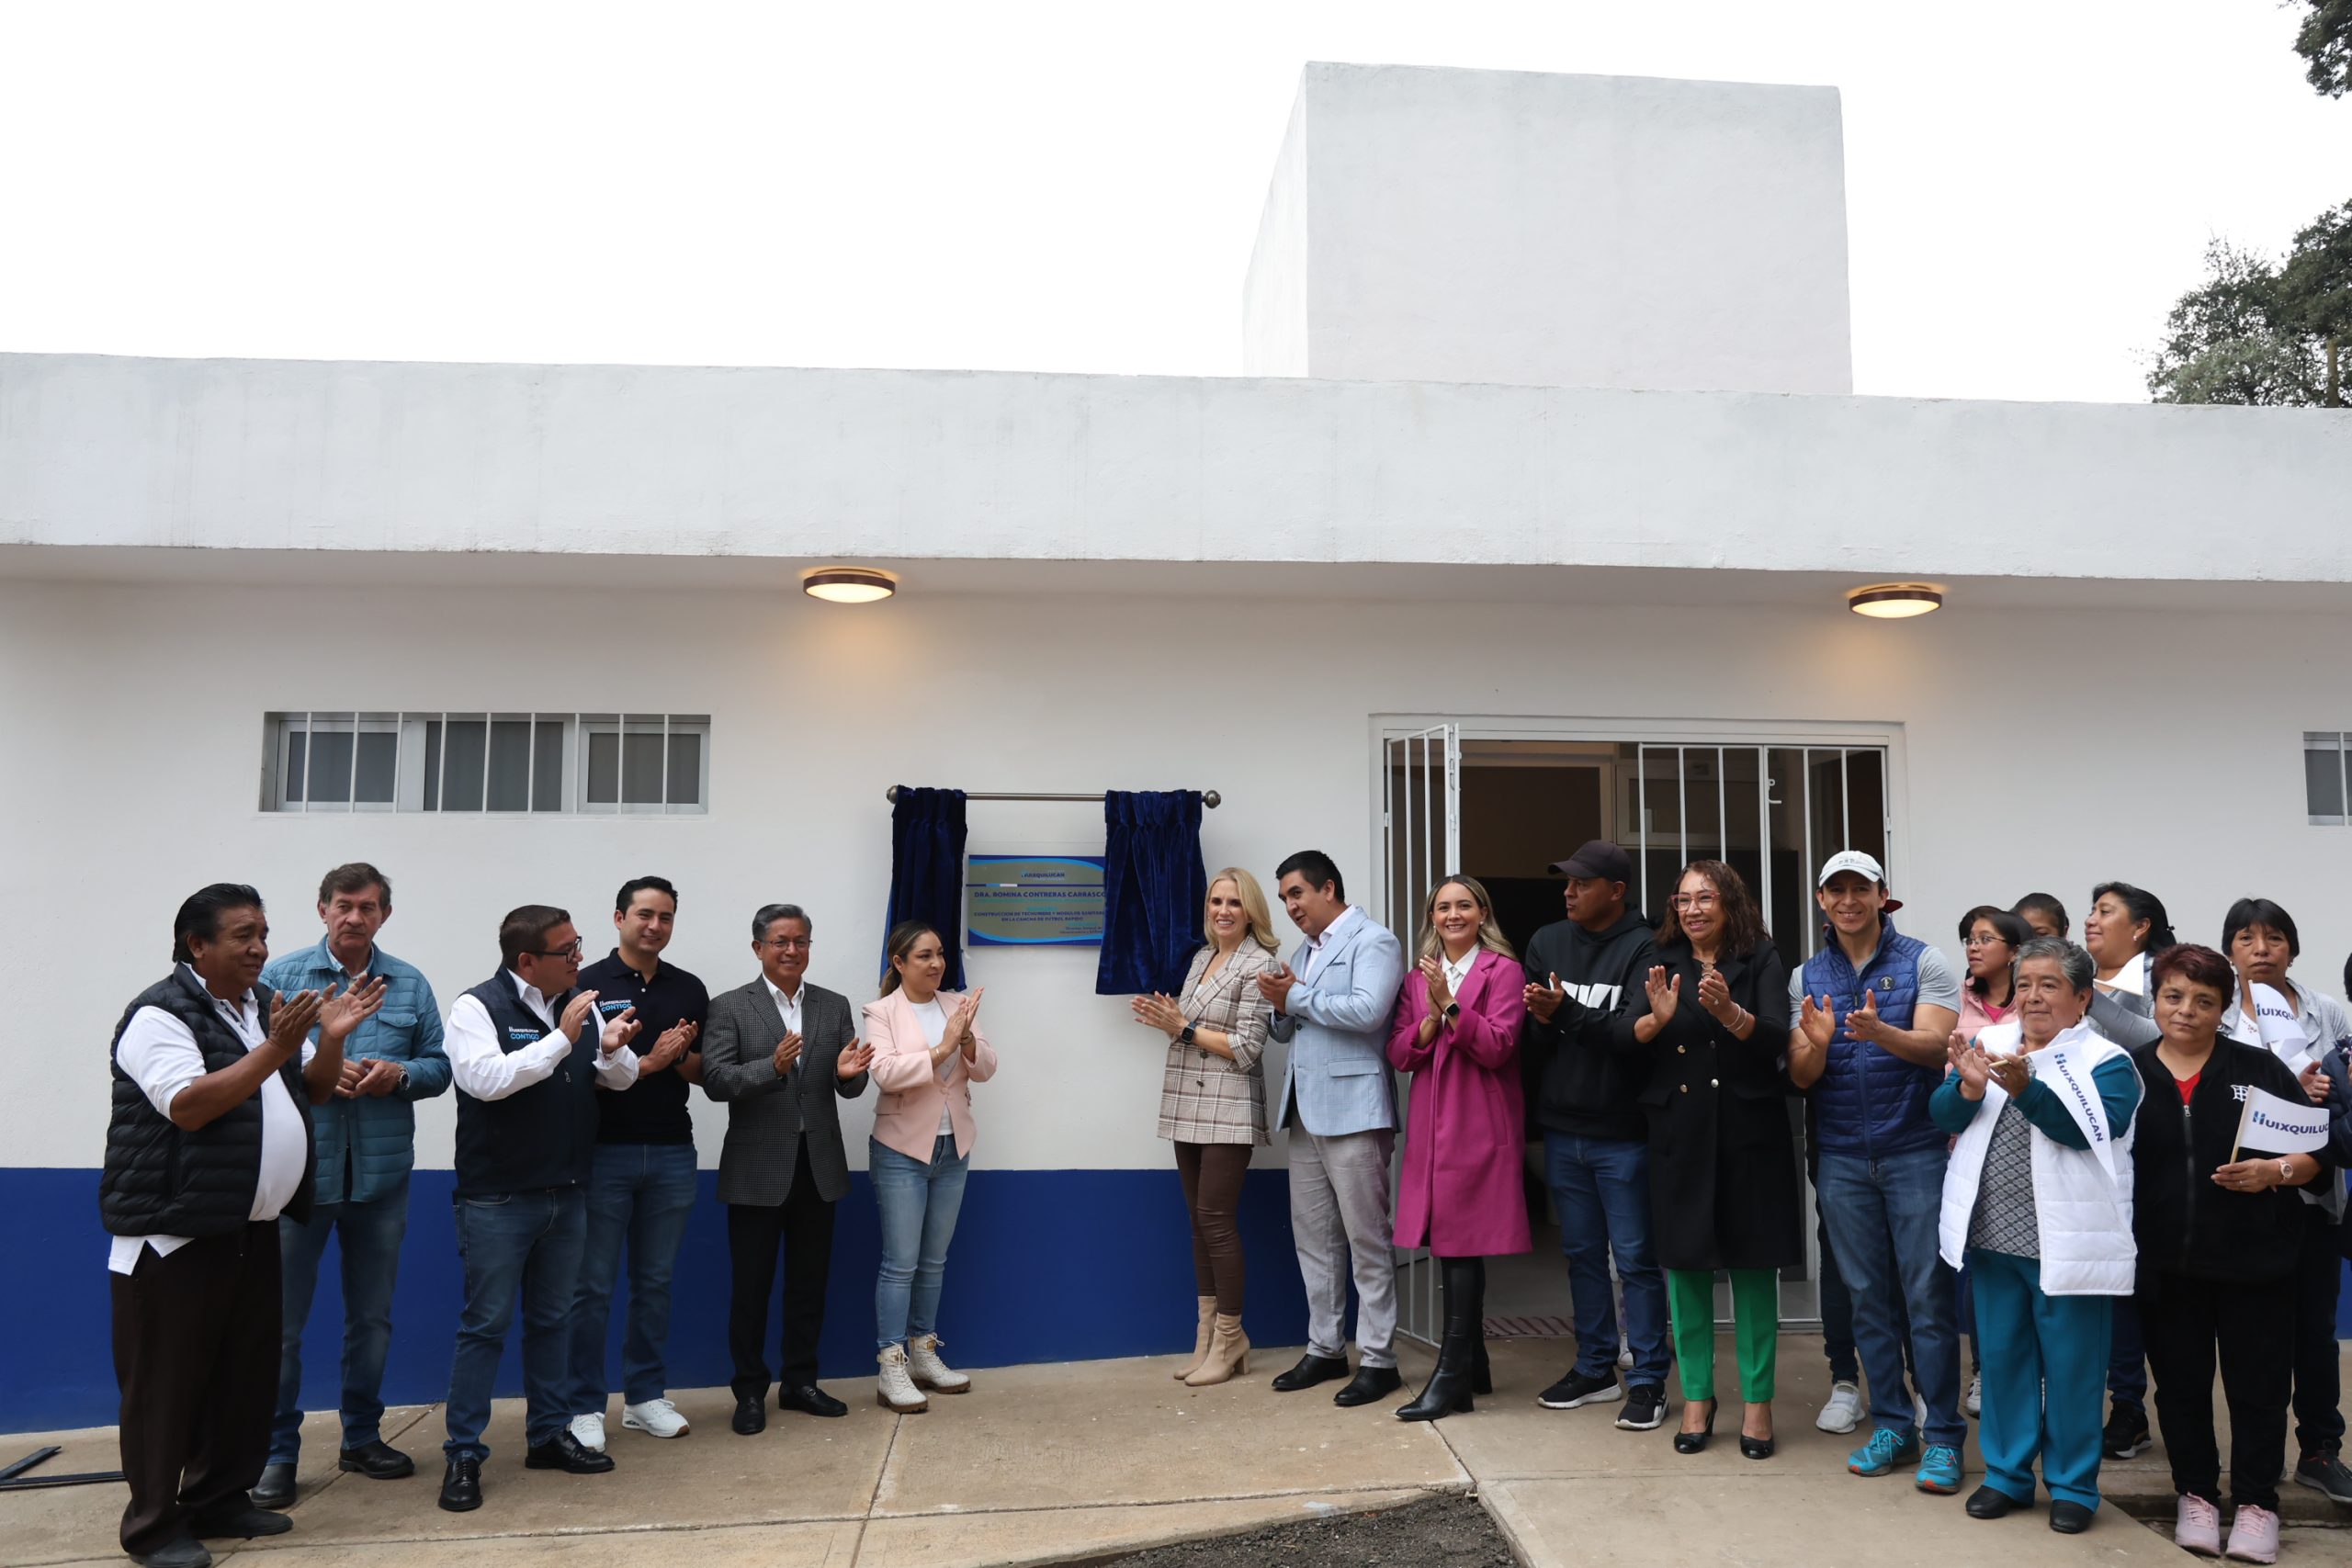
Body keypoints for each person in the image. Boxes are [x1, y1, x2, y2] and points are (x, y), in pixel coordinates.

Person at [105, 885, 381, 1568]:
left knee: (243, 1377)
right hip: (175, 1234)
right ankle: (153, 1527)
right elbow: (189, 1106)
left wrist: (328, 1041)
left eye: (263, 934)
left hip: (250, 1227)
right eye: (242, 936)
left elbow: (312, 1089)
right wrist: (277, 1047)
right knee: (166, 1390)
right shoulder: (159, 1013)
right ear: (197, 945)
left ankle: (220, 1498)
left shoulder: (259, 1007)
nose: (259, 948)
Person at [2129, 944, 2333, 1562]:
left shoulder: (2259, 1068)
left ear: (2223, 1009)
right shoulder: (2128, 1072)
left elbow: (2316, 1156)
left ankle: (2256, 1504)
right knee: (2179, 1389)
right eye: (2173, 996)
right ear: (2155, 1000)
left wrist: (2276, 1171)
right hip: (2166, 1268)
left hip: (2256, 1265)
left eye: (2204, 1000)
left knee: (2259, 1390)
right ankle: (2195, 1495)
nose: (2186, 1010)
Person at [254, 863, 448, 1511]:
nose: (354, 917)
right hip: (298, 1178)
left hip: (381, 1180)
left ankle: (361, 1437)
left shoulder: (409, 983)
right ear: (322, 909)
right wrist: (311, 1069)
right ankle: (276, 1452)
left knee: (371, 1320)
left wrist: (401, 1073)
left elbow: (440, 1066)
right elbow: (248, 1060)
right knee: (281, 1325)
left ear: (384, 915)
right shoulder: (281, 978)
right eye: (344, 905)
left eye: (368, 907)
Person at [437, 905, 642, 1514]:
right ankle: (464, 1452)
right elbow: (486, 1080)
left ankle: (549, 1434)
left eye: (578, 945)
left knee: (554, 1321)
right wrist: (562, 1039)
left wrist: (610, 1049)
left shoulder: (578, 1003)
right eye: (567, 950)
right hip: (498, 1196)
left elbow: (622, 1079)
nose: (579, 957)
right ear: (527, 960)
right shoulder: (476, 1007)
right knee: (485, 1326)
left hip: (568, 1191)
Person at [1934, 939, 2142, 1535]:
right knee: (2002, 1362)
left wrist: (2026, 1088)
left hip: (2069, 1245)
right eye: (2024, 984)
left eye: (2050, 985)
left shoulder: (2108, 1061)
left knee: (2074, 1369)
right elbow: (1943, 1115)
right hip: (1992, 1238)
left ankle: (2073, 1486)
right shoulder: (1992, 1041)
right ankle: (2006, 1475)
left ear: (2083, 997)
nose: (2033, 996)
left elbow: (2087, 1131)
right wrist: (1967, 1088)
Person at [1787, 850, 1966, 1494]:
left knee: (1926, 1297)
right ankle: (1892, 1424)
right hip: (1840, 1155)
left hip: (1914, 1150)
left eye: (1859, 888)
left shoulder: (1923, 961)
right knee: (1865, 1297)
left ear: (1882, 895)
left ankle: (1942, 1434)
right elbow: (1802, 1075)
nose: (1848, 900)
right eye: (1835, 889)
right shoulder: (1807, 974)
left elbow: (1939, 1047)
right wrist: (1817, 1042)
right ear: (1821, 899)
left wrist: (1878, 1032)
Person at [1622, 860, 1796, 1460]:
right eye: (1684, 898)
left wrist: (1730, 1014)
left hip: (1750, 1133)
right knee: (1686, 1267)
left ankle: (1758, 1403)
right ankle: (1696, 1397)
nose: (1693, 909)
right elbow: (1625, 1037)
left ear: (1729, 903)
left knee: (1753, 1269)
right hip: (1681, 1132)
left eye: (1706, 898)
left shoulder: (1761, 956)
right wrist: (1654, 1021)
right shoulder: (1658, 958)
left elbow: (1776, 1038)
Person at [703, 903, 873, 1434]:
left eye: (800, 941)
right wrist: (772, 1067)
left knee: (809, 1284)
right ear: (759, 948)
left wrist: (849, 1075)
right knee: (751, 1289)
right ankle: (750, 1391)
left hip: (818, 1165)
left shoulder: (832, 1005)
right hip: (756, 1168)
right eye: (780, 941)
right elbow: (716, 1081)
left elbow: (849, 1085)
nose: (791, 950)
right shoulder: (730, 1006)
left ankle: (800, 1382)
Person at [1519, 840, 1667, 1427]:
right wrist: (1544, 1019)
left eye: (1582, 883)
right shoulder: (1547, 941)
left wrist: (1564, 1015)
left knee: (1635, 1260)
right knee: (1581, 1255)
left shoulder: (1647, 946)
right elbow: (1534, 1040)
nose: (1569, 892)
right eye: (1567, 882)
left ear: (1617, 890)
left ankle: (1649, 1378)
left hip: (1624, 1130)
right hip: (1562, 1126)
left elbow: (1632, 1034)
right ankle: (1596, 1366)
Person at [1257, 850, 1408, 1407]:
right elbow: (1288, 1030)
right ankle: (1325, 1348)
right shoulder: (1304, 951)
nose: (1291, 907)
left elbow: (1369, 1012)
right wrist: (1279, 1006)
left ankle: (1379, 1359)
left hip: (1355, 1111)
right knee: (1314, 1240)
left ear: (1328, 888)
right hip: (1305, 1110)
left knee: (1366, 1238)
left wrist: (1294, 997)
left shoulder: (1375, 941)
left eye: (1296, 893)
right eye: (1284, 899)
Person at [563, 877, 709, 1450]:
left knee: (655, 1283)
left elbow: (701, 1072)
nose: (655, 926)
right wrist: (644, 1060)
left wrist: (678, 1054)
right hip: (602, 1152)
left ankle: (645, 1397)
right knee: (591, 1287)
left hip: (672, 1149)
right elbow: (569, 1073)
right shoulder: (584, 985)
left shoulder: (689, 987)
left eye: (665, 917)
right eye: (645, 914)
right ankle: (583, 1406)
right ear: (619, 918)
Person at [2218, 898, 2352, 1506]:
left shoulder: (2325, 1010)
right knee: (2255, 1336)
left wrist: (2325, 1094)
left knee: (2315, 1332)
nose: (2261, 949)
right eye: (2246, 938)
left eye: (2274, 938)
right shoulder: (2217, 1012)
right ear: (2230, 951)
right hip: (2241, 1195)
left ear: (2292, 949)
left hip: (2312, 1192)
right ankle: (2260, 1457)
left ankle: (2321, 1449)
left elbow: (2344, 1094)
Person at [1131, 868, 1282, 1388]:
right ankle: (1207, 1337)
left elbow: (1248, 1047)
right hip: (1187, 1100)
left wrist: (1184, 1028)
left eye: (1234, 903)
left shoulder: (1261, 964)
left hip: (1230, 1104)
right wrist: (1169, 1019)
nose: (1223, 911)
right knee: (1198, 1222)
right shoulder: (1201, 958)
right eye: (1216, 901)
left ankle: (1231, 1336)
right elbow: (1190, 1030)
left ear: (1251, 911)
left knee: (1216, 1219)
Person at [1385, 874, 1530, 1421]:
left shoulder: (1504, 970)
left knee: (1462, 1242)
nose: (1452, 915)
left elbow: (1498, 1046)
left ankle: (1452, 1377)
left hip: (1478, 1120)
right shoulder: (1417, 976)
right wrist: (1429, 1017)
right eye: (1443, 907)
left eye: (1464, 906)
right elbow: (1400, 1053)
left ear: (1482, 913)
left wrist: (1450, 1005)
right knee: (1453, 1241)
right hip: (1432, 1123)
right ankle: (1473, 1365)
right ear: (1432, 917)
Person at [865, 921, 996, 1413]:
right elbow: (886, 1073)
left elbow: (987, 1068)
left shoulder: (956, 1005)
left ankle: (923, 1351)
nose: (937, 963)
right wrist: (943, 1046)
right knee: (900, 1263)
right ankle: (891, 1364)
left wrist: (967, 1041)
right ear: (899, 963)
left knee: (934, 1260)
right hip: (900, 1149)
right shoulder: (881, 1012)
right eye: (924, 956)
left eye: (940, 954)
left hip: (953, 1147)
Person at [2082, 881, 2171, 1461]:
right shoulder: (2082, 982)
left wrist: (2091, 1000)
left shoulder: (2159, 978)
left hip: (2152, 1155)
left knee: (2140, 1288)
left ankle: (2141, 1406)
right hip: (2086, 1155)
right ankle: (2112, 1405)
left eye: (2105, 911)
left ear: (2140, 928)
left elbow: (2159, 1040)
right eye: (2091, 910)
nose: (2091, 919)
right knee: (2102, 1286)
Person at [1951, 904, 2030, 1417]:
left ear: (2014, 950)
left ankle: (2032, 1374)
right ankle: (1984, 1370)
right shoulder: (1958, 1000)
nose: (1974, 947)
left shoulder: (2034, 1001)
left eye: (1985, 938)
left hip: (2025, 1152)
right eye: (1970, 939)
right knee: (1977, 1273)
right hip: (1966, 1147)